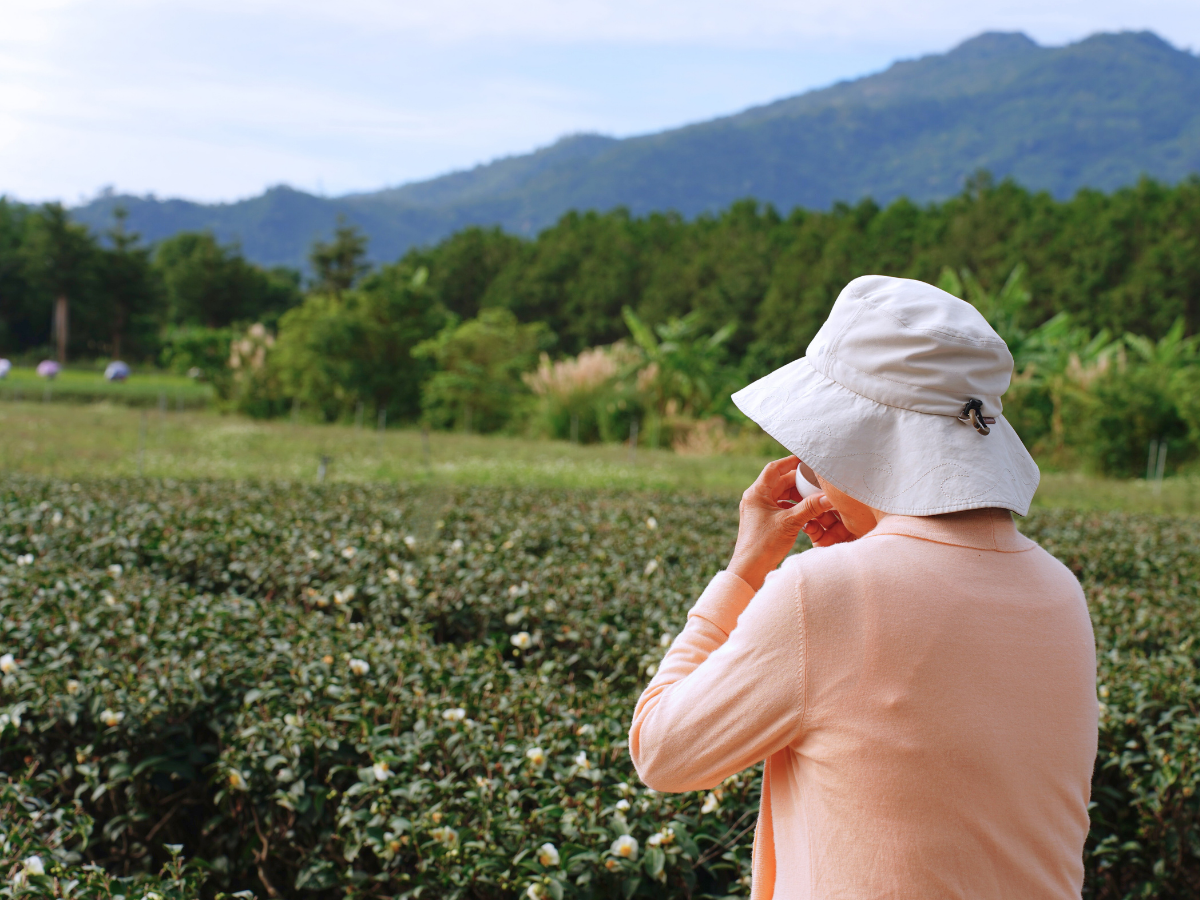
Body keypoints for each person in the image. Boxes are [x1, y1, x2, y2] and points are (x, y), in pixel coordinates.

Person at [629, 276, 1098, 899]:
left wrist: (746, 569)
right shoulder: (1060, 592)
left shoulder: (822, 593)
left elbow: (662, 751)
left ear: (861, 442)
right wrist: (868, 553)